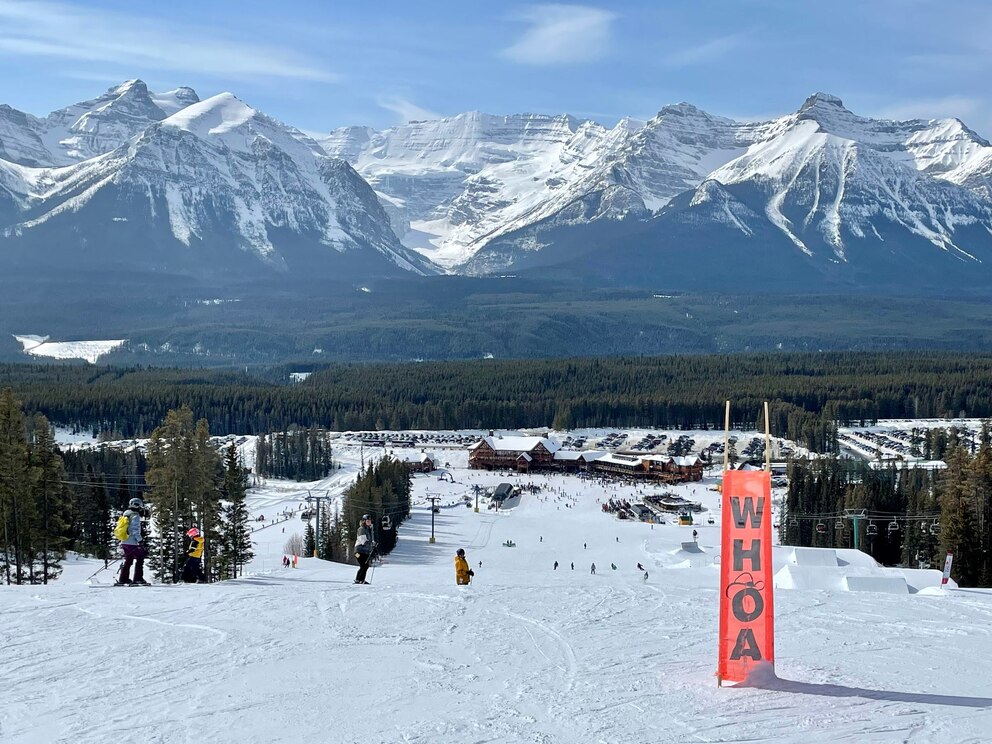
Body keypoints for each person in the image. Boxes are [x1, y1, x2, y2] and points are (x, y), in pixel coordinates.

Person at [117, 498, 149, 586]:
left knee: (128, 560)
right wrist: (140, 540)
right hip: (133, 542)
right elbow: (135, 530)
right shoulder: (135, 516)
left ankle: (123, 579)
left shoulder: (125, 514)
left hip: (124, 541)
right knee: (140, 558)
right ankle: (138, 579)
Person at [354, 514, 376, 584]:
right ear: (364, 521)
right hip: (358, 552)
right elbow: (363, 541)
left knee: (365, 566)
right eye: (368, 521)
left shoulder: (368, 529)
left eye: (370, 521)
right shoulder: (361, 529)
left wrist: (373, 546)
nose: (369, 522)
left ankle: (361, 580)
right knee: (363, 565)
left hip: (365, 552)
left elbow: (370, 541)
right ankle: (358, 579)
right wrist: (371, 543)